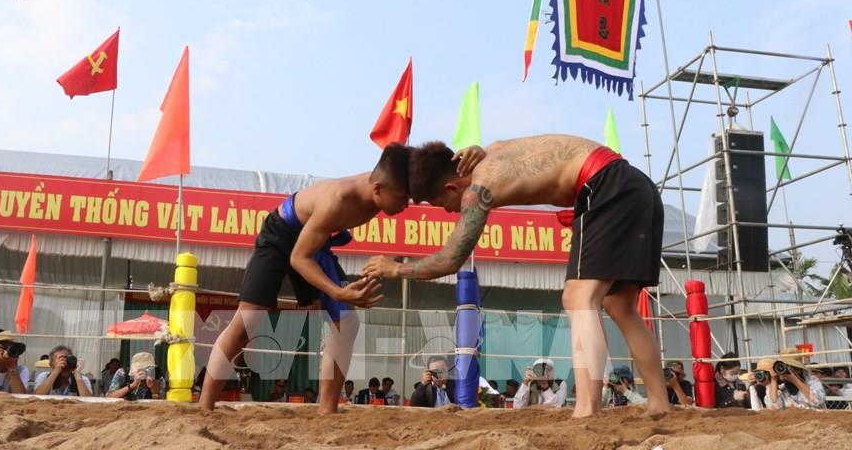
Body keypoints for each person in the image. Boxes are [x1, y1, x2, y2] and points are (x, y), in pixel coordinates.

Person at [364, 136, 669, 418]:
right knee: (620, 306)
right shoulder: (490, 153)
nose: (447, 211)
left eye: (441, 204)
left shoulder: (478, 189)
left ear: (452, 188)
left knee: (578, 297)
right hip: (635, 185)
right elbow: (500, 148)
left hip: (604, 185)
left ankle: (588, 408)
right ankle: (658, 401)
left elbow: (450, 260)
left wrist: (395, 269)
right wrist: (479, 149)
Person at [199, 144, 484, 415]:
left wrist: (472, 154)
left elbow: (423, 160)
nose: (405, 204)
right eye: (402, 197)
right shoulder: (337, 200)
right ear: (378, 188)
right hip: (281, 237)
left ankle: (327, 409)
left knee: (346, 324)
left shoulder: (385, 188)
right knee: (247, 321)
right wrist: (338, 292)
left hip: (316, 242)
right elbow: (299, 258)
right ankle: (205, 406)